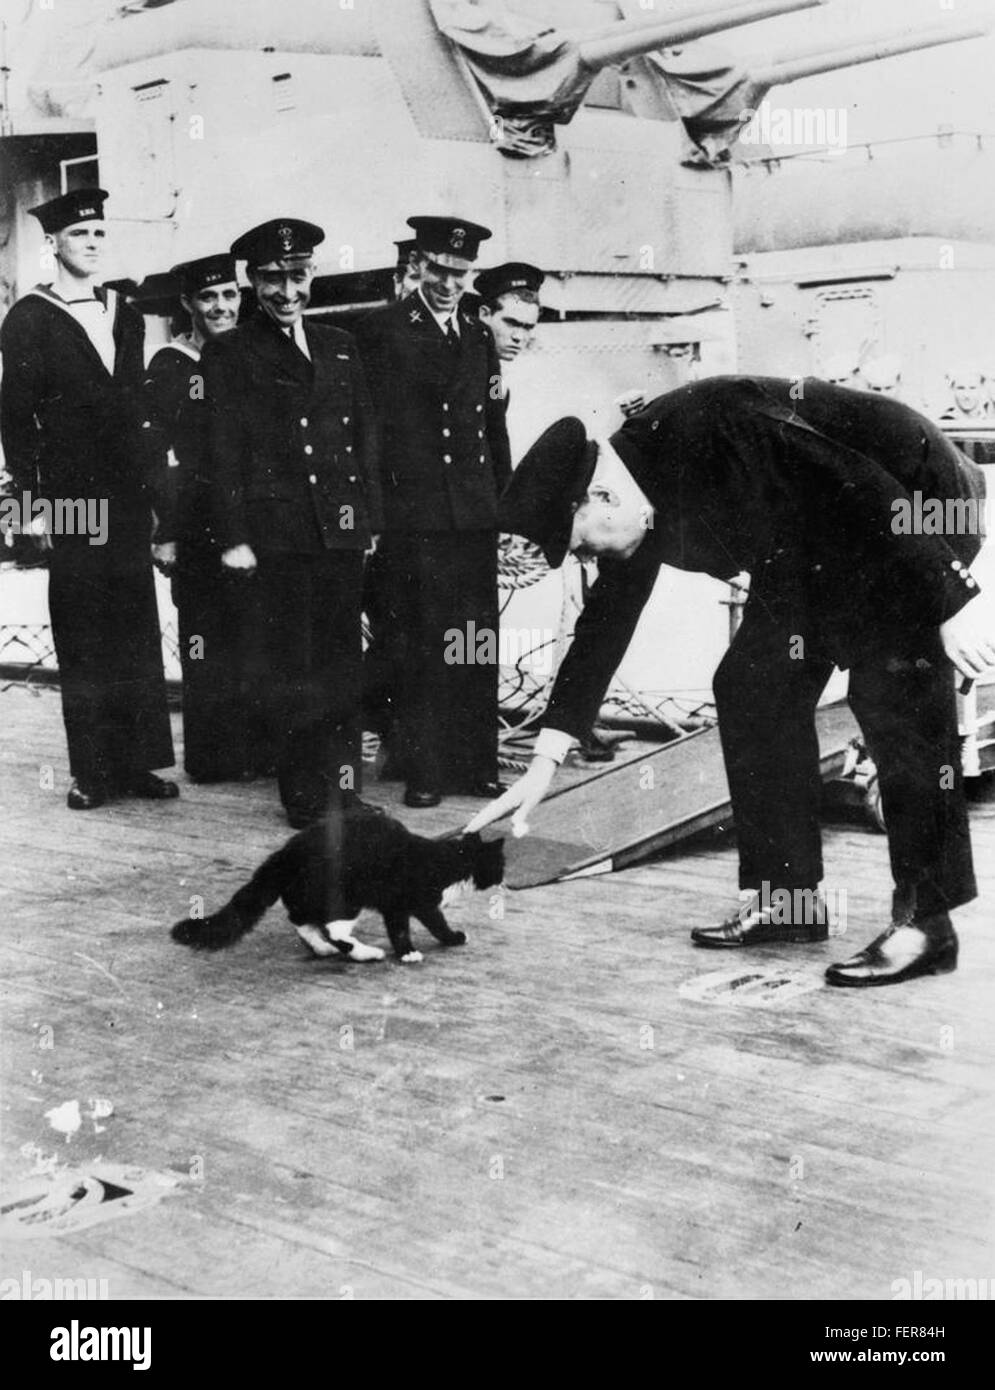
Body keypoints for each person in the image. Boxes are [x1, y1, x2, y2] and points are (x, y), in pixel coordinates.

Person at [471, 375, 994, 988]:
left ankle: (926, 924)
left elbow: (857, 479)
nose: (589, 561)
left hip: (908, 495)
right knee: (754, 683)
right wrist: (545, 758)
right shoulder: (632, 498)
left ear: (603, 497)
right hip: (813, 539)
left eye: (583, 546)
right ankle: (790, 900)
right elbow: (604, 627)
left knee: (893, 690)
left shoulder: (713, 426)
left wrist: (952, 600)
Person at [201, 218, 382, 828]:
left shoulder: (339, 343)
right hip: (277, 535)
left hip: (340, 529)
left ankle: (345, 789)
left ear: (313, 274)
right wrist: (233, 537)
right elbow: (219, 450)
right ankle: (305, 794)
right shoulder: (228, 351)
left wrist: (371, 519)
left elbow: (363, 438)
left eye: (297, 276)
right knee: (294, 667)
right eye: (273, 279)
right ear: (253, 282)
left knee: (342, 664)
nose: (287, 291)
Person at [0, 188, 176, 810]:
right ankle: (94, 771)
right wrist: (31, 510)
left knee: (133, 623)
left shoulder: (124, 313)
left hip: (126, 496)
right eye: (80, 236)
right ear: (54, 244)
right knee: (84, 627)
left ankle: (138, 765)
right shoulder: (29, 319)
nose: (93, 244)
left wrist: (158, 498)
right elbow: (16, 424)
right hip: (74, 500)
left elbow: (138, 413)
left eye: (100, 233)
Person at [355, 215, 511, 808]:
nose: (449, 283)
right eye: (440, 271)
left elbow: (494, 427)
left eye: (460, 273)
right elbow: (365, 429)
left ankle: (474, 763)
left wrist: (506, 510)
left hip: (471, 514)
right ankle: (422, 767)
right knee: (417, 643)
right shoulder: (383, 331)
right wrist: (371, 512)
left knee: (472, 640)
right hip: (411, 516)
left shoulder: (476, 337)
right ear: (418, 265)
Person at [141, 253, 249, 782]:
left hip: (250, 523)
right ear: (188, 304)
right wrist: (167, 531)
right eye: (209, 297)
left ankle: (260, 749)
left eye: (229, 294)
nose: (222, 306)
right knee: (206, 640)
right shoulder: (173, 364)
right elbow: (160, 457)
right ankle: (212, 757)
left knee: (254, 634)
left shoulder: (250, 352)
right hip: (198, 525)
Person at [474, 262, 543, 366]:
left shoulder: (490, 363)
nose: (518, 337)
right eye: (511, 323)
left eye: (528, 328)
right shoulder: (458, 361)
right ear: (485, 315)